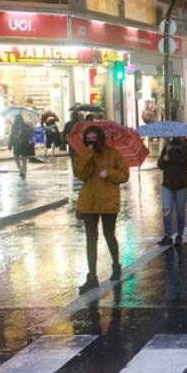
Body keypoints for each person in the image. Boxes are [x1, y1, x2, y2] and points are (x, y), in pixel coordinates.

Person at [74, 125, 128, 292]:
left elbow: (124, 175)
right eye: (88, 139)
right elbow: (81, 174)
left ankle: (116, 265)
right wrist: (89, 154)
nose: (91, 142)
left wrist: (109, 173)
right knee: (91, 239)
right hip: (89, 202)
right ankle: (92, 276)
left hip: (108, 202)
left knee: (109, 234)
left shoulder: (113, 154)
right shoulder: (84, 154)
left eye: (94, 139)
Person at [157, 136, 187, 246]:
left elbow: (185, 161)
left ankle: (180, 235)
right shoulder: (168, 146)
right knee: (166, 209)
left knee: (180, 210)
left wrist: (177, 151)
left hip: (182, 185)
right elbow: (160, 165)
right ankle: (167, 235)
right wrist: (164, 159)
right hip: (167, 184)